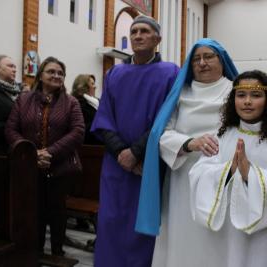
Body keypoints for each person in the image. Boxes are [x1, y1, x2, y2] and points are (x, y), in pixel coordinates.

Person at [137, 38, 238, 267]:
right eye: (196, 59)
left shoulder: (237, 92)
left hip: (223, 175)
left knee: (217, 234)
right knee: (183, 234)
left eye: (208, 56)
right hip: (184, 175)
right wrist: (190, 142)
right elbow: (162, 134)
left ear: (222, 61)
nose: (202, 63)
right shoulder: (181, 94)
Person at [188, 70, 267, 267]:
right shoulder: (220, 137)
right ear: (233, 100)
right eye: (241, 95)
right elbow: (197, 174)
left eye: (256, 95)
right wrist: (228, 171)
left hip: (264, 233)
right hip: (225, 229)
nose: (247, 101)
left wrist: (251, 173)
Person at [90, 15, 179, 267]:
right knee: (111, 221)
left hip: (149, 162)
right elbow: (104, 117)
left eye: (145, 31)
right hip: (115, 165)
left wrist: (137, 152)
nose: (138, 35)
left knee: (142, 226)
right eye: (134, 31)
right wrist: (121, 152)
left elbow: (167, 117)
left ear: (157, 39)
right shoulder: (115, 73)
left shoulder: (170, 72)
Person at [5, 56, 85, 256]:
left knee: (57, 211)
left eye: (60, 73)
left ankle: (57, 252)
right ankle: (36, 251)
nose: (56, 75)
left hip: (60, 166)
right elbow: (11, 129)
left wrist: (49, 152)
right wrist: (31, 153)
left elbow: (77, 132)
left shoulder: (71, 102)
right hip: (30, 166)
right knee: (35, 211)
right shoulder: (23, 100)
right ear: (40, 75)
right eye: (51, 71)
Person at [0, 54, 19, 153]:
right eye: (10, 66)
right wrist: (14, 127)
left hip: (16, 150)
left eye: (15, 67)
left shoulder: (19, 91)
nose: (14, 70)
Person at [71, 74, 101, 145]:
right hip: (87, 146)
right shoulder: (78, 104)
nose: (95, 86)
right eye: (92, 84)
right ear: (84, 87)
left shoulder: (97, 102)